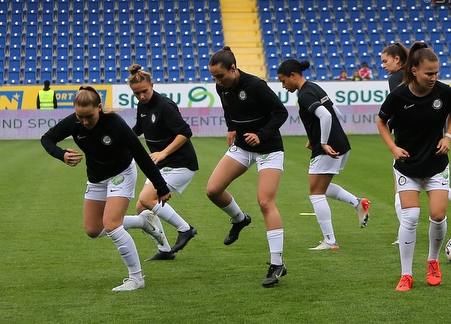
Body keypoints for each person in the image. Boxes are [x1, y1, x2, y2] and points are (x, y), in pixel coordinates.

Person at [40, 86, 172, 291]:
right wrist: (61, 154)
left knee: (111, 225)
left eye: (89, 116)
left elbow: (140, 154)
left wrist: (160, 186)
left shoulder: (114, 123)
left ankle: (136, 278)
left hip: (122, 173)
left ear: (99, 108)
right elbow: (47, 138)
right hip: (96, 177)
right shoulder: (74, 122)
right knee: (93, 230)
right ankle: (143, 221)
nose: (84, 121)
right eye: (79, 116)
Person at [377, 43, 451, 291]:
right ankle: (406, 274)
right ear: (414, 71)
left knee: (438, 215)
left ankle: (433, 262)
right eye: (429, 73)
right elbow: (381, 121)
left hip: (436, 164)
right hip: (407, 166)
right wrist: (392, 147)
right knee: (410, 216)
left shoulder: (443, 92)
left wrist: (448, 137)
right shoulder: (399, 95)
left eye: (436, 73)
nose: (434, 78)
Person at [204, 47, 289, 287]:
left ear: (233, 68)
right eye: (214, 78)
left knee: (265, 202)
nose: (217, 81)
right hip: (242, 147)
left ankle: (277, 264)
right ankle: (240, 219)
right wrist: (231, 128)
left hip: (269, 149)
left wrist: (261, 135)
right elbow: (227, 109)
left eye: (220, 76)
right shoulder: (222, 87)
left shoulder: (256, 86)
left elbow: (280, 113)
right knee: (213, 190)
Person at [277, 59, 371, 251]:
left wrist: (323, 141)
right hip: (341, 144)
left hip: (329, 148)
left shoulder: (305, 95)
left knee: (316, 194)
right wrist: (317, 137)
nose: (283, 85)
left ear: (293, 75)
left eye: (283, 80)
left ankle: (330, 241)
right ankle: (358, 203)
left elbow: (326, 116)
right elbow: (336, 112)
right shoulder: (314, 87)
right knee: (323, 187)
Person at [128, 64, 199, 261]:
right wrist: (122, 139)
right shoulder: (142, 105)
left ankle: (186, 229)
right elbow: (139, 128)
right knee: (142, 208)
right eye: (137, 94)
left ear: (152, 84)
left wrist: (163, 152)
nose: (141, 96)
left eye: (144, 91)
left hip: (181, 163)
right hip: (162, 165)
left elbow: (185, 132)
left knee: (146, 199)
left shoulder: (165, 105)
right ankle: (166, 250)